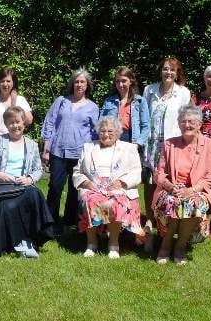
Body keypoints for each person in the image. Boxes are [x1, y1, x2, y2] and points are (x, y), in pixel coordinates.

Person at [0, 107, 53, 258]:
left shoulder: (32, 145)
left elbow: (38, 169)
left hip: (20, 184)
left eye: (18, 122)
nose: (15, 126)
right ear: (6, 124)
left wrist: (29, 179)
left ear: (24, 123)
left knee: (35, 193)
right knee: (7, 205)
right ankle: (19, 243)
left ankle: (31, 240)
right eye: (11, 123)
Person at [152, 105, 211, 265]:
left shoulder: (210, 145)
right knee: (173, 201)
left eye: (191, 121)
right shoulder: (170, 144)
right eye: (183, 121)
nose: (187, 125)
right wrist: (169, 186)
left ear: (199, 124)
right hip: (172, 188)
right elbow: (159, 173)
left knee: (191, 202)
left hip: (198, 190)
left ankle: (180, 247)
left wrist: (191, 190)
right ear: (178, 124)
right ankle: (166, 244)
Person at [73, 116, 145, 259]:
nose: (106, 134)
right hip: (94, 187)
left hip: (118, 187)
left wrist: (122, 183)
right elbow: (77, 171)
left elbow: (136, 172)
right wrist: (86, 183)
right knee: (90, 200)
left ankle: (113, 243)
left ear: (118, 133)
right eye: (103, 131)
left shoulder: (128, 148)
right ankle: (92, 243)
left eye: (110, 131)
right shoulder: (88, 147)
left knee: (114, 202)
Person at [142, 57, 191, 251]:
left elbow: (186, 119)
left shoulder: (183, 93)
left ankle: (165, 230)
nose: (168, 73)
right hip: (151, 146)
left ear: (177, 73)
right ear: (160, 71)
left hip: (172, 147)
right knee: (148, 186)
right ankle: (149, 226)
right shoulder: (149, 90)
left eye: (172, 70)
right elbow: (143, 116)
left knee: (165, 186)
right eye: (165, 69)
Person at [41, 67, 99, 229]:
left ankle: (69, 224)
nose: (79, 84)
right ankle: (49, 222)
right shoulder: (61, 101)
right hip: (58, 151)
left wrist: (93, 154)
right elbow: (49, 124)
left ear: (87, 85)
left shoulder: (92, 107)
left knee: (75, 190)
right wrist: (46, 149)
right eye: (76, 81)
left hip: (79, 154)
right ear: (72, 84)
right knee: (55, 187)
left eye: (82, 82)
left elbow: (95, 133)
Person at [100, 66, 150, 148]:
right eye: (118, 81)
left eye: (124, 81)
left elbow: (146, 126)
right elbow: (101, 123)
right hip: (112, 140)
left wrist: (138, 144)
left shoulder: (140, 101)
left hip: (132, 140)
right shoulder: (109, 101)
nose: (120, 84)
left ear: (131, 82)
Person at [0, 67, 33, 136]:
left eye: (8, 81)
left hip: (15, 142)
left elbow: (29, 120)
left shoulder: (21, 100)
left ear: (13, 83)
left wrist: (13, 104)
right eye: (2, 81)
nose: (5, 84)